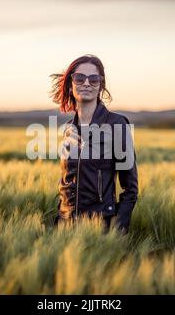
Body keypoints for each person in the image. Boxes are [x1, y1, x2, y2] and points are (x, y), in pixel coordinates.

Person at [50, 54, 138, 235]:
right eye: (80, 78)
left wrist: (117, 230)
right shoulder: (68, 129)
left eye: (94, 79)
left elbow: (130, 189)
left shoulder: (116, 124)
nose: (87, 83)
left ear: (101, 85)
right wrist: (60, 221)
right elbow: (65, 184)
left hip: (101, 228)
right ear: (70, 84)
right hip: (66, 229)